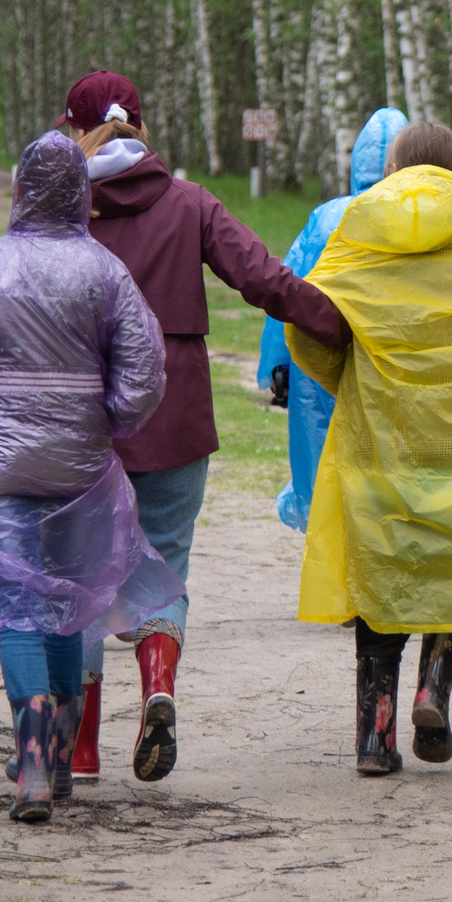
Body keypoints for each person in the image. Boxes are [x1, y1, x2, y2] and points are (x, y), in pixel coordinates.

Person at [58, 70, 349, 783]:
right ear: (142, 127)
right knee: (164, 565)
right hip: (175, 414)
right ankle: (158, 683)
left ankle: (81, 746)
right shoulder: (189, 201)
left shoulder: (60, 207)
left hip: (85, 420)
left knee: (80, 576)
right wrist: (341, 323)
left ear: (75, 130)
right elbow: (264, 277)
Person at [0, 130, 179, 823]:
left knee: (21, 601)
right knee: (73, 601)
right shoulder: (105, 271)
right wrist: (105, 416)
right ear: (82, 195)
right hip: (81, 463)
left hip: (1, 463)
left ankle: (30, 758)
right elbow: (144, 371)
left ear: (20, 189)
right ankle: (57, 757)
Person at [287, 121, 452, 778]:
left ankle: (376, 734)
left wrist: (342, 374)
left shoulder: (357, 241)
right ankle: (434, 692)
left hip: (379, 437)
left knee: (382, 578)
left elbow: (309, 319)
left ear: (390, 169)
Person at [259, 105, 409, 532]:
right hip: (392, 365)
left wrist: (278, 364)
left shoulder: (325, 218)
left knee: (326, 478)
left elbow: (288, 291)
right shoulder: (419, 218)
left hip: (318, 367)